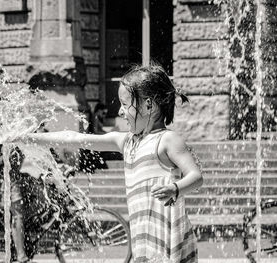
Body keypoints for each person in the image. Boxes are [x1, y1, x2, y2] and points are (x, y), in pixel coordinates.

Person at [14, 63, 203, 262]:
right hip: (144, 240)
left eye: (125, 104)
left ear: (149, 105)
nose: (120, 112)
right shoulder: (125, 141)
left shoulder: (167, 140)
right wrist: (28, 138)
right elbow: (74, 138)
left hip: (168, 238)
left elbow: (196, 176)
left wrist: (175, 188)